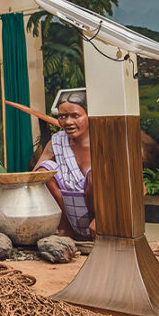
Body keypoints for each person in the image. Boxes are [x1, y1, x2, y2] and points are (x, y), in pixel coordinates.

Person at [32, 89, 95, 240]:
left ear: (89, 116)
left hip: (103, 218)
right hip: (71, 212)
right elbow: (34, 176)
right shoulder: (57, 141)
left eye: (75, 116)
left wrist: (104, 218)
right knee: (43, 171)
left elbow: (136, 186)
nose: (67, 122)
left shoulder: (103, 140)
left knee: (97, 175)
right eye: (62, 116)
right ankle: (65, 228)